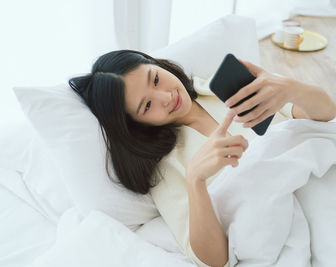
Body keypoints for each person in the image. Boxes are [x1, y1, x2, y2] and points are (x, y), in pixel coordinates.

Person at [69, 49, 336, 267]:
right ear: (135, 123)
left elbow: (325, 118)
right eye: (147, 106)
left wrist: (291, 88)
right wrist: (195, 180)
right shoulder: (165, 168)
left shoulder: (224, 87)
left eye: (156, 79)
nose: (166, 97)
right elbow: (213, 260)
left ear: (158, 64)